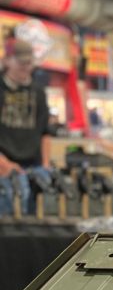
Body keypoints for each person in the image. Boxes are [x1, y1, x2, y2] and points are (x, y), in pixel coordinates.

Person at [0, 39, 52, 216]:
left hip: (34, 168)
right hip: (4, 167)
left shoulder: (38, 92)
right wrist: (4, 164)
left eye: (29, 62)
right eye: (21, 62)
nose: (26, 67)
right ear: (7, 60)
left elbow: (45, 132)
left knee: (35, 222)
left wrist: (45, 164)